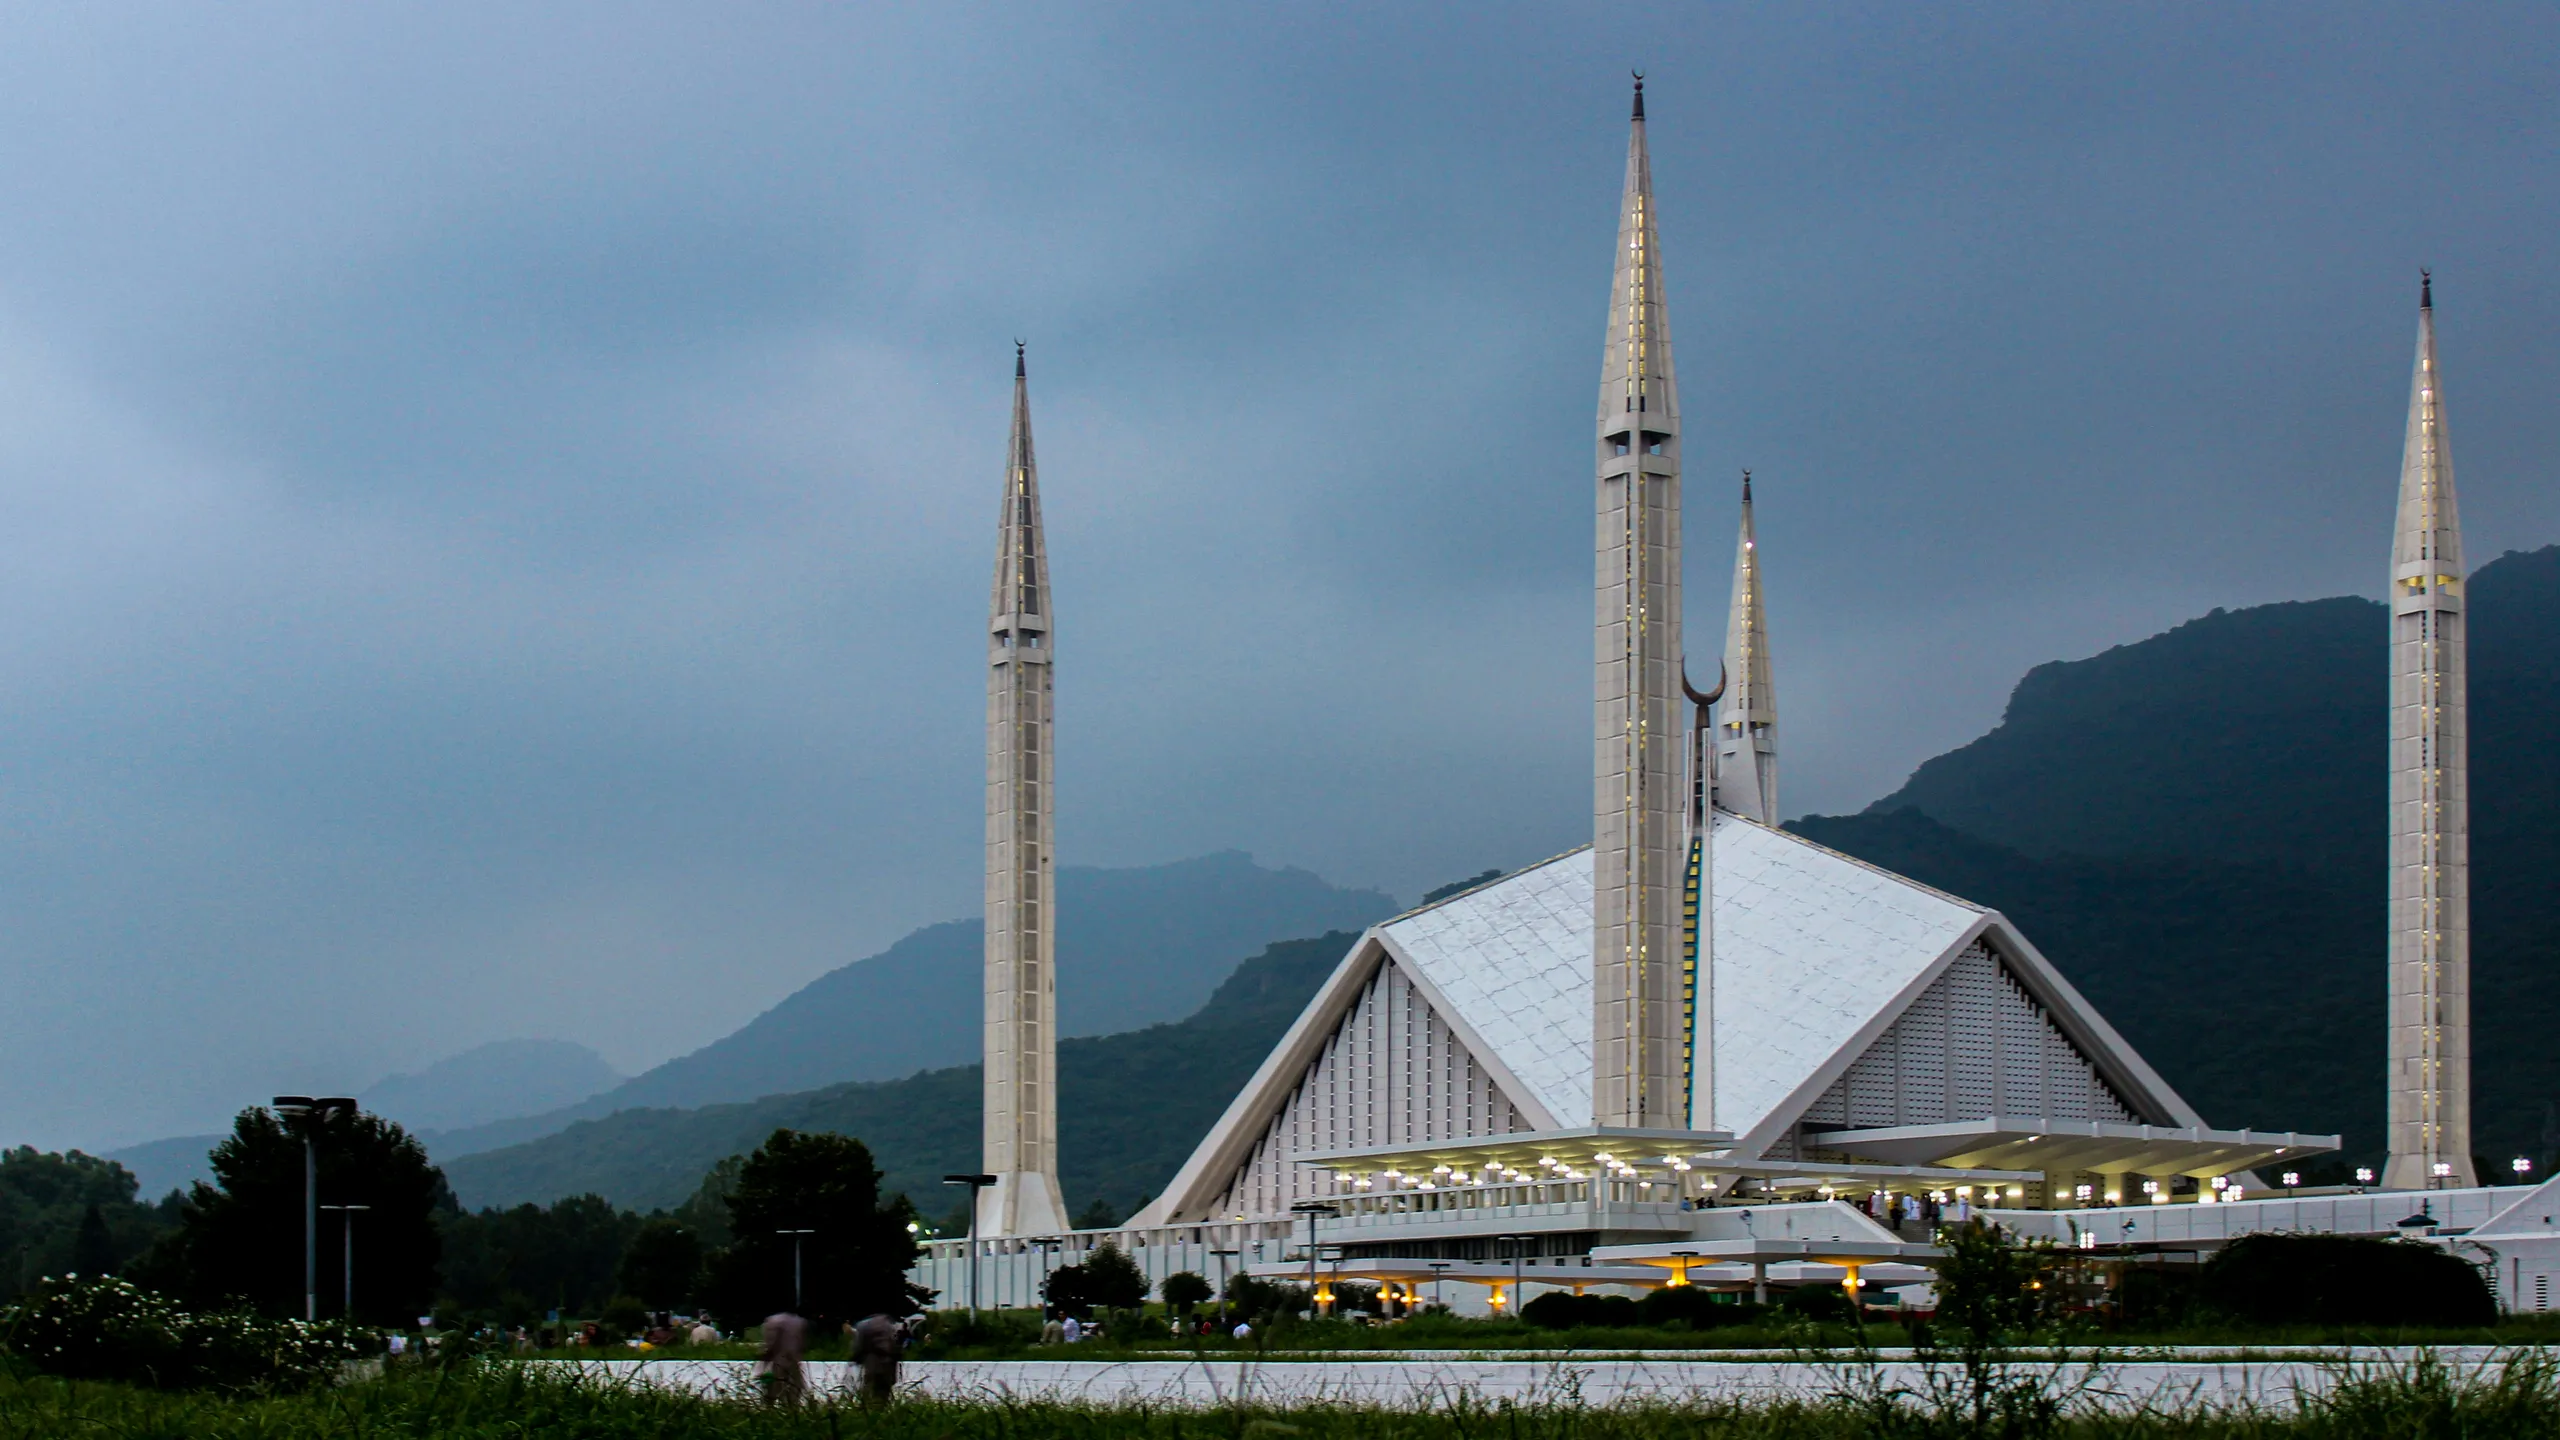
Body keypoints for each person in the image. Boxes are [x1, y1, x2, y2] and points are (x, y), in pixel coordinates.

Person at [847, 1313, 911, 1406]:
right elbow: (897, 1347)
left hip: (871, 1364)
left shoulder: (863, 1325)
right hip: (888, 1366)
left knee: (869, 1392)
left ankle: (868, 1413)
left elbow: (858, 1347)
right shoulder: (891, 1325)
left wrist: (856, 1358)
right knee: (883, 1395)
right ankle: (880, 1413)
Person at [756, 1313, 809, 1407]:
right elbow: (802, 1345)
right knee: (792, 1398)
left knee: (769, 1397)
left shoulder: (772, 1321)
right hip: (793, 1364)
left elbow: (769, 1346)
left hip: (777, 1364)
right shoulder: (800, 1321)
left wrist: (762, 1365)